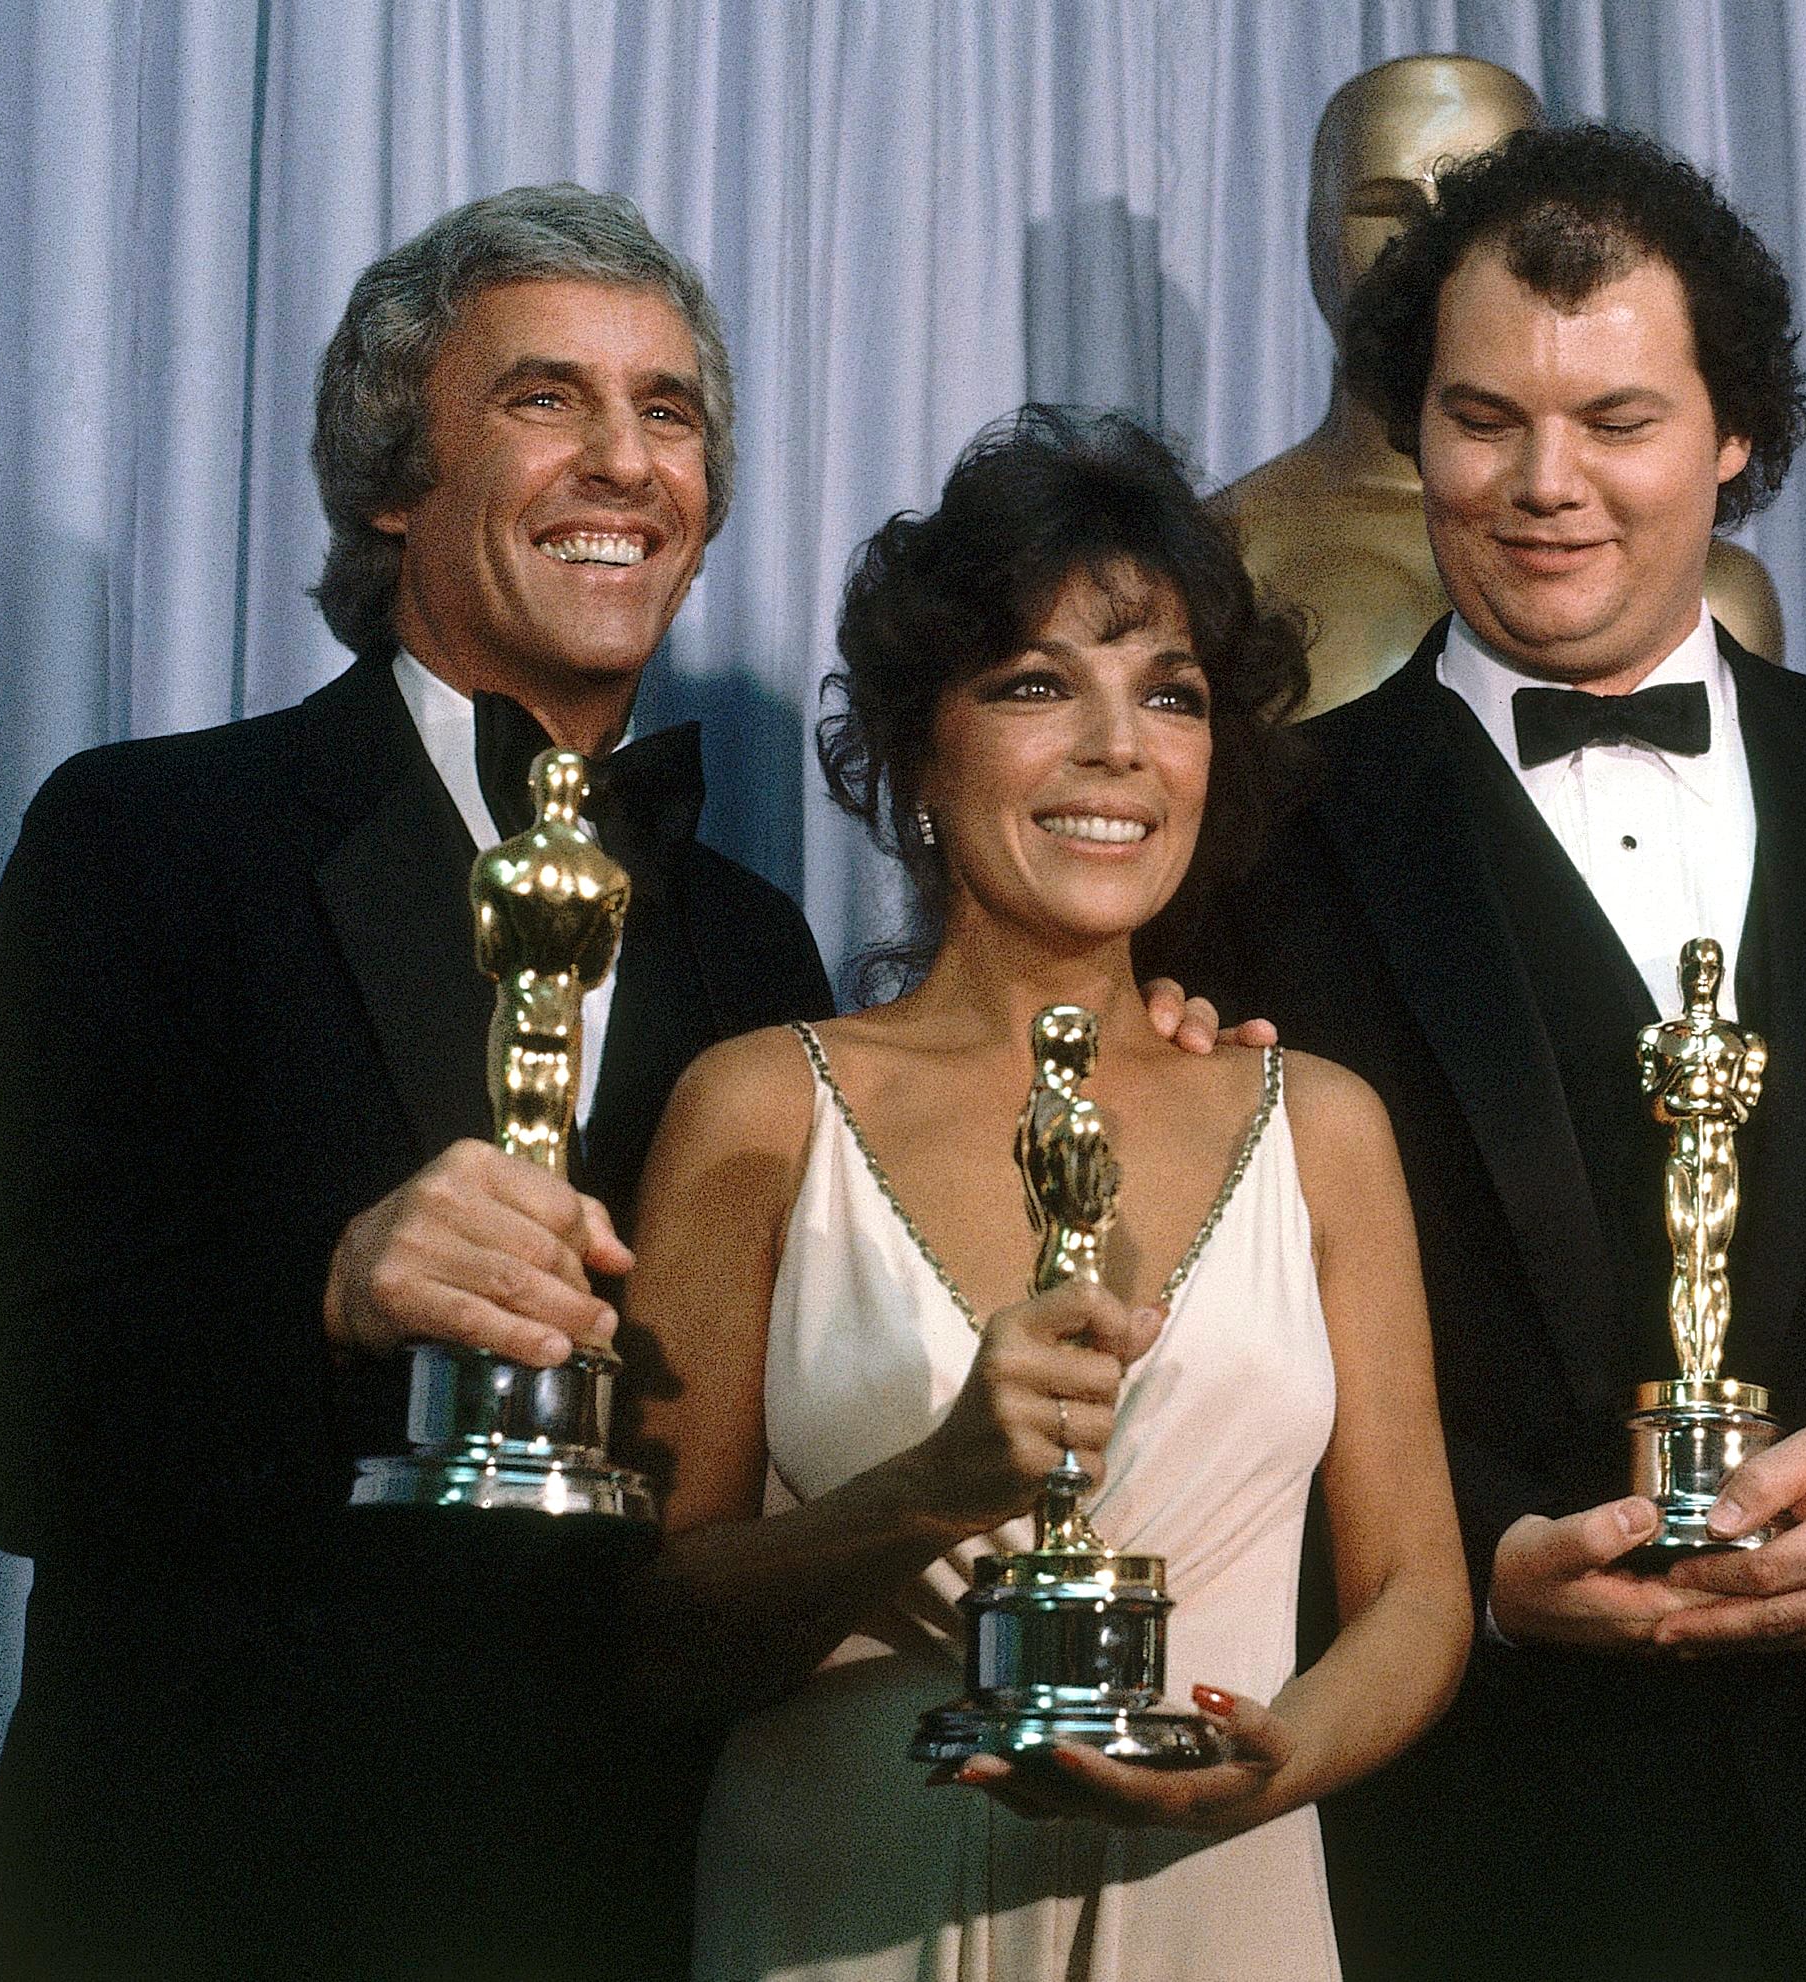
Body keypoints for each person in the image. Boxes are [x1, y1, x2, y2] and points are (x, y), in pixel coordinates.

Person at [1165, 124, 1806, 1981]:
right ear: (1411, 429)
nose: (1542, 484)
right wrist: (1480, 1560)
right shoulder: (1255, 843)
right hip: (1486, 1831)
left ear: (1734, 435)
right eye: (1484, 419)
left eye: (1618, 421)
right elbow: (1225, 1330)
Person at [0, 185, 835, 1979]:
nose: (622, 460)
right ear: (387, 477)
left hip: (630, 1905)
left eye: (664, 411)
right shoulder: (149, 840)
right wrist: (328, 1299)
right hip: (211, 1900)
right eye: (542, 399)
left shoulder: (757, 947)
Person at [623, 407, 1469, 1981]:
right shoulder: (756, 1108)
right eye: (1034, 683)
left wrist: (1274, 1758)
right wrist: (929, 1484)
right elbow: (652, 1630)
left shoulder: (1322, 1122)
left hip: (1224, 1908)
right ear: (915, 751)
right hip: (842, 1918)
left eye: (1171, 693)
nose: (1116, 745)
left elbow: (1418, 1591)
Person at [1219, 56, 1783, 713]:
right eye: (1384, 209)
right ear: (1315, 233)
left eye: (1616, 424)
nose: (1428, 240)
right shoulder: (1221, 553)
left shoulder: (1726, 596)